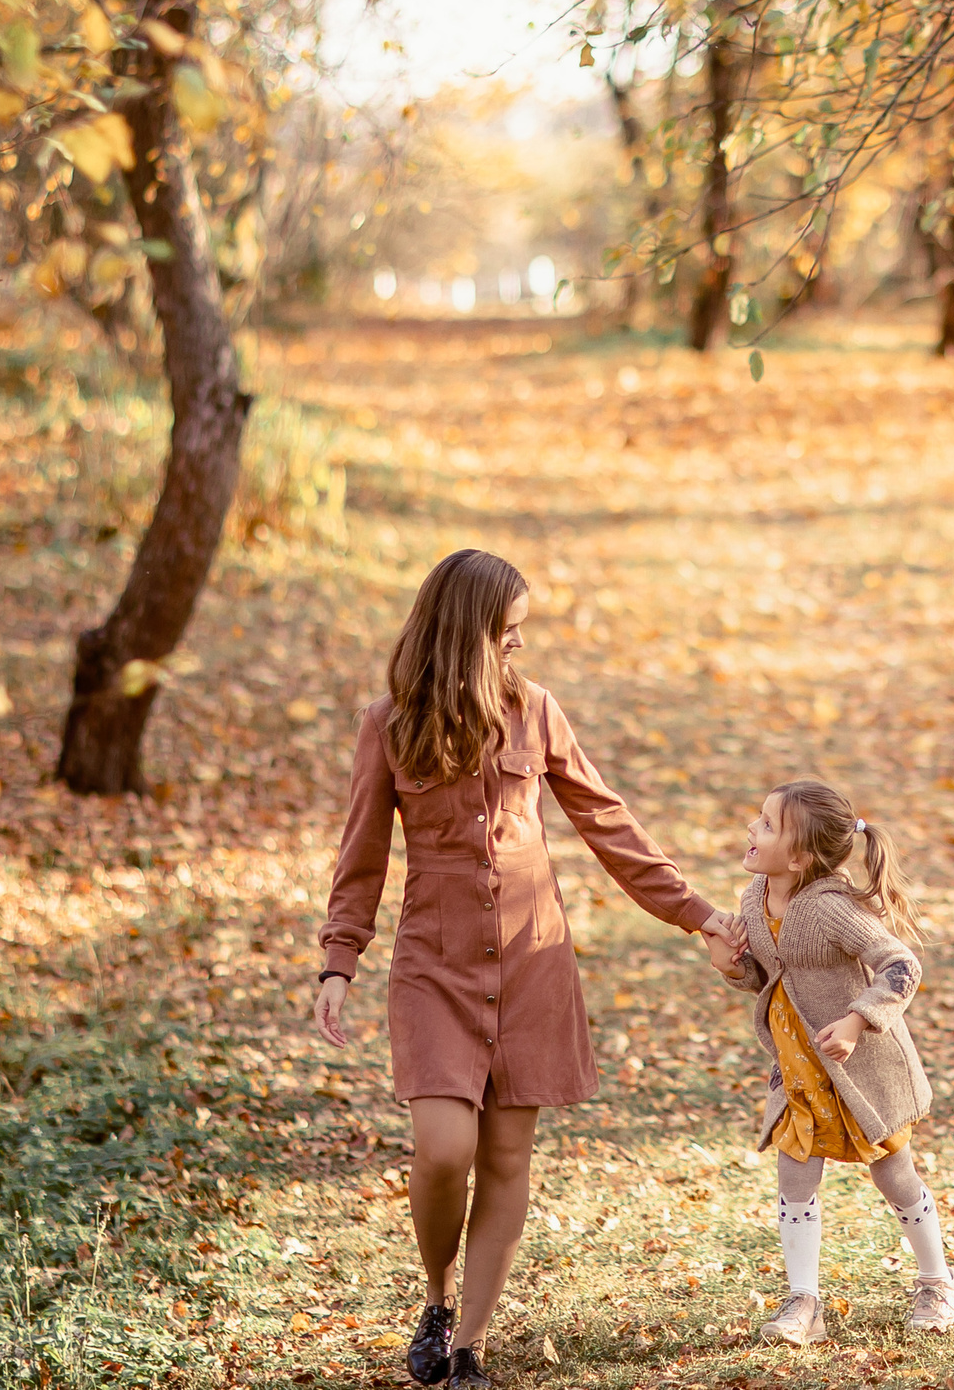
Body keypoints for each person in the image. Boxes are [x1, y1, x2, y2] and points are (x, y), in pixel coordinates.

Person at [313, 549, 743, 1389]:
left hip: (533, 961)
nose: (519, 647)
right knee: (443, 1148)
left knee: (507, 1156)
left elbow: (608, 824)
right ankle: (436, 1297)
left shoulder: (537, 711)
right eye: (507, 633)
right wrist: (340, 959)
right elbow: (360, 853)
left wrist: (699, 915)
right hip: (434, 965)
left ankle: (468, 1343)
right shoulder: (388, 722)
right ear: (466, 633)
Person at [700, 778, 954, 1345]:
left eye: (767, 824)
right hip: (799, 1067)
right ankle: (805, 1301)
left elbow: (900, 965)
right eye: (759, 817)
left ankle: (938, 1281)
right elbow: (768, 980)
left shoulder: (831, 910)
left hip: (862, 1070)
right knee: (795, 1174)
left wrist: (858, 1018)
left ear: (798, 857)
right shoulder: (753, 898)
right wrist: (729, 964)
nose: (752, 827)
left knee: (893, 1174)